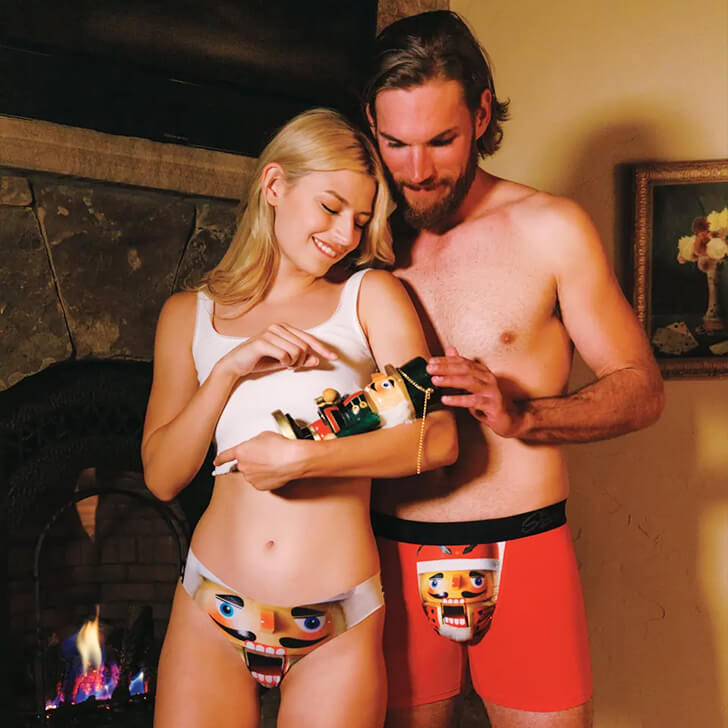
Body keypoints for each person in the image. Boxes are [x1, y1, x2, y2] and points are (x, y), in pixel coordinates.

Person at [358, 10, 666, 728]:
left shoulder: (550, 228)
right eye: (396, 144)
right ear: (371, 125)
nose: (417, 170)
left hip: (525, 547)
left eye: (441, 141)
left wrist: (526, 413)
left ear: (481, 114)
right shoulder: (354, 238)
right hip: (384, 549)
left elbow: (641, 388)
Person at [141, 108, 458, 728]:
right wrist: (228, 370)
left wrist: (304, 459)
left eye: (360, 220)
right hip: (210, 606)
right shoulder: (188, 315)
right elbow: (161, 477)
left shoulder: (368, 298)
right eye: (331, 208)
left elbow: (440, 437)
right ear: (275, 185)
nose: (344, 235)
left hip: (337, 618)